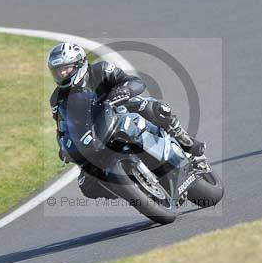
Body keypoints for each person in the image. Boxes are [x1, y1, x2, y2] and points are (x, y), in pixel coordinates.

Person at [47, 42, 204, 199]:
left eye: (66, 68)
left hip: (120, 110)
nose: (62, 74)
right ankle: (134, 191)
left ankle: (183, 139)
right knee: (86, 185)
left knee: (153, 107)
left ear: (79, 63)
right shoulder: (57, 98)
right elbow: (62, 127)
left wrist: (124, 90)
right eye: (58, 71)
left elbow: (135, 82)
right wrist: (63, 148)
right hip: (95, 133)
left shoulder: (101, 70)